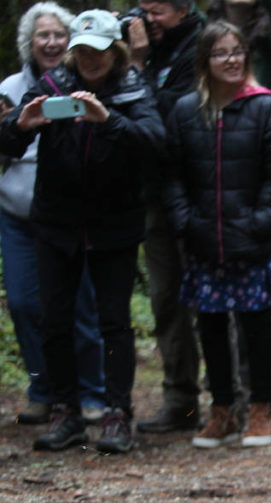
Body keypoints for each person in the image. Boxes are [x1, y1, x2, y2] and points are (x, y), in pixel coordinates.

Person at [0, 9, 165, 452]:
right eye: (81, 51)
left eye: (98, 51)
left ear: (116, 50)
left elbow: (155, 144)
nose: (89, 59)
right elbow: (6, 139)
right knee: (54, 321)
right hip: (57, 224)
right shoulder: (52, 84)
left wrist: (107, 120)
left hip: (114, 226)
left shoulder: (133, 89)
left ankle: (116, 415)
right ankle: (65, 411)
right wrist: (20, 124)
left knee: (113, 323)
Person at [164, 21, 271, 448]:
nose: (232, 59)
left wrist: (260, 223)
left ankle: (261, 408)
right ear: (205, 60)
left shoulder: (265, 107)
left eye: (238, 51)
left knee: (257, 326)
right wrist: (186, 222)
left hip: (252, 238)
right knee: (213, 327)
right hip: (204, 240)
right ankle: (222, 408)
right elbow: (171, 176)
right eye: (221, 52)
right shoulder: (186, 111)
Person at [0, 1, 105, 426]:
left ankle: (91, 391)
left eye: (58, 35)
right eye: (42, 35)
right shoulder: (9, 87)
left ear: (71, 43)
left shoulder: (76, 84)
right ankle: (43, 389)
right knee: (25, 305)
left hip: (66, 214)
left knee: (80, 307)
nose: (50, 42)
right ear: (30, 41)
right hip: (15, 213)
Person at [207, 0, 271, 410]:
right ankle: (229, 381)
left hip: (268, 177)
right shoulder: (208, 25)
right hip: (218, 180)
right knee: (217, 294)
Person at [127, 0, 206, 434]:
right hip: (155, 197)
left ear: (183, 9)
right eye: (142, 9)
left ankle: (233, 398)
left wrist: (137, 64)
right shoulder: (140, 47)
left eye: (156, 11)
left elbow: (165, 118)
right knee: (165, 299)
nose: (146, 20)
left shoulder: (201, 47)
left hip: (202, 195)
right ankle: (181, 401)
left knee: (213, 300)